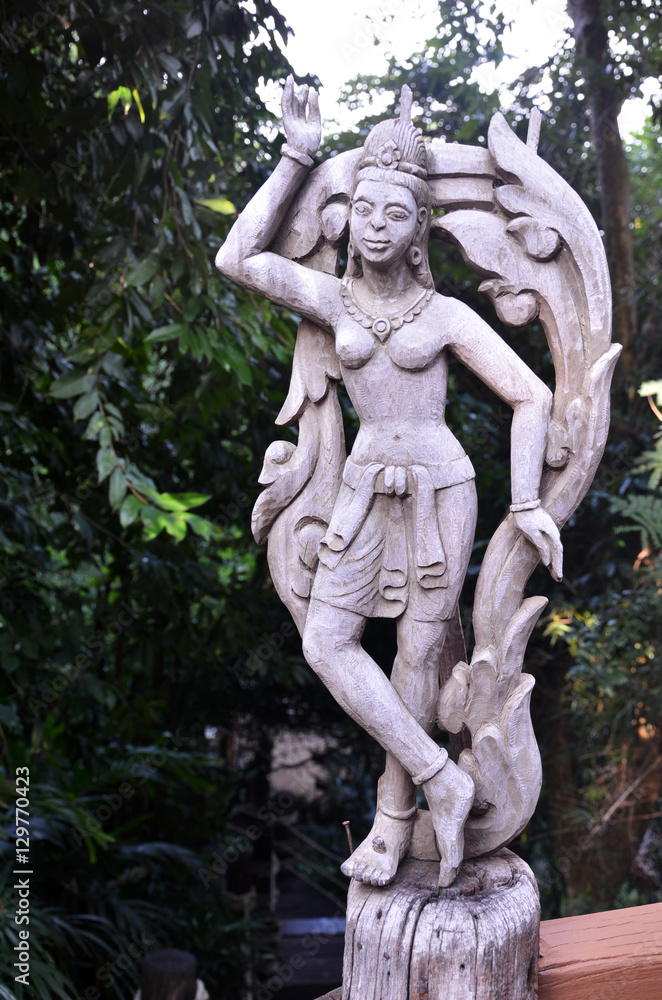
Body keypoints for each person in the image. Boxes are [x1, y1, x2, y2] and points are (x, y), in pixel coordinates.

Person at [216, 77, 563, 888]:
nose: (375, 226)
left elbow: (532, 395)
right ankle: (442, 778)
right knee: (327, 641)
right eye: (365, 210)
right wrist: (298, 154)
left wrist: (526, 502)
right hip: (366, 489)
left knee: (418, 652)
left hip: (442, 489)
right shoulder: (333, 299)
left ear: (417, 231)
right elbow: (238, 257)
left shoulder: (443, 317)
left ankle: (394, 814)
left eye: (395, 214)